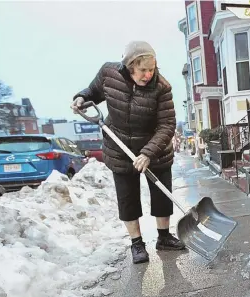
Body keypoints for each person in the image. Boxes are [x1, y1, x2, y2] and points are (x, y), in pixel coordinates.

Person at [70, 41, 186, 264]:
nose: (147, 75)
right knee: (127, 198)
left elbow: (167, 125)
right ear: (130, 65)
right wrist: (81, 98)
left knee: (162, 194)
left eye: (151, 69)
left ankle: (163, 237)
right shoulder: (109, 73)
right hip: (118, 146)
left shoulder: (162, 87)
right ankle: (137, 243)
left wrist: (148, 153)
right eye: (143, 70)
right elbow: (93, 91)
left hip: (155, 147)